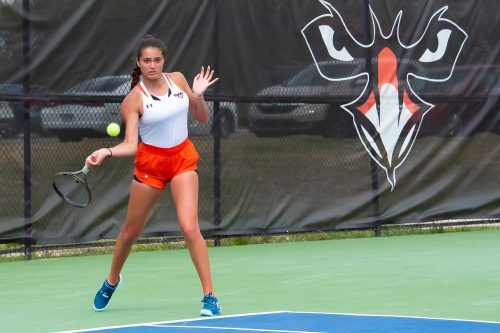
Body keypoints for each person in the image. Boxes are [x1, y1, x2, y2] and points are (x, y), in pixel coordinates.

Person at [85, 35, 221, 316]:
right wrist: (106, 152)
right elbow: (131, 144)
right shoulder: (133, 100)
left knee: (188, 226)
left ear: (164, 60)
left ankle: (210, 296)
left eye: (157, 59)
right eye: (146, 60)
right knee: (130, 232)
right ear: (139, 62)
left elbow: (202, 118)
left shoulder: (179, 80)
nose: (152, 65)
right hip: (150, 165)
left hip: (182, 159)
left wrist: (198, 94)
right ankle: (112, 280)